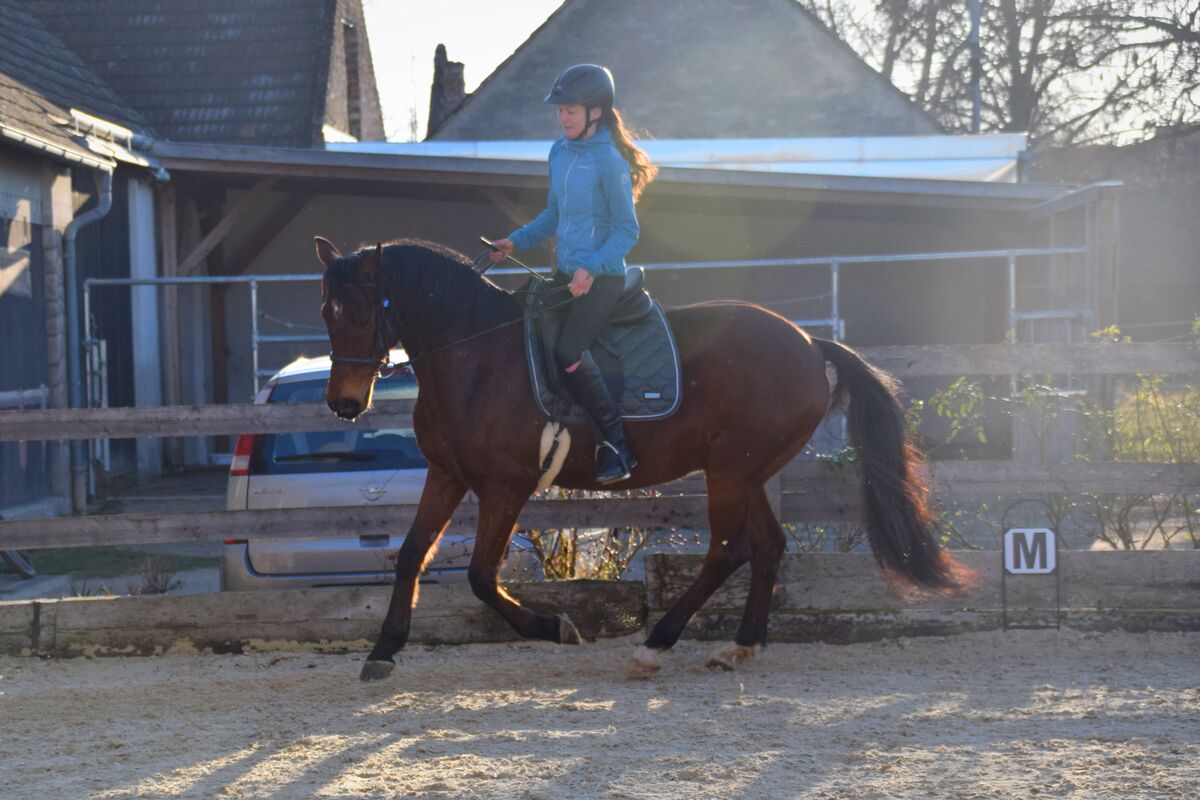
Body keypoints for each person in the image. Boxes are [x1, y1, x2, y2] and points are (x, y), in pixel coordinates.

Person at [490, 64, 657, 484]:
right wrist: (515, 241)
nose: (563, 117)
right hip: (566, 274)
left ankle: (616, 446)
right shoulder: (559, 151)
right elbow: (553, 214)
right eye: (560, 110)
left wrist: (591, 268)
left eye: (571, 110)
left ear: (596, 111)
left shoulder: (609, 161)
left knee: (568, 351)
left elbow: (627, 230)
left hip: (602, 280)